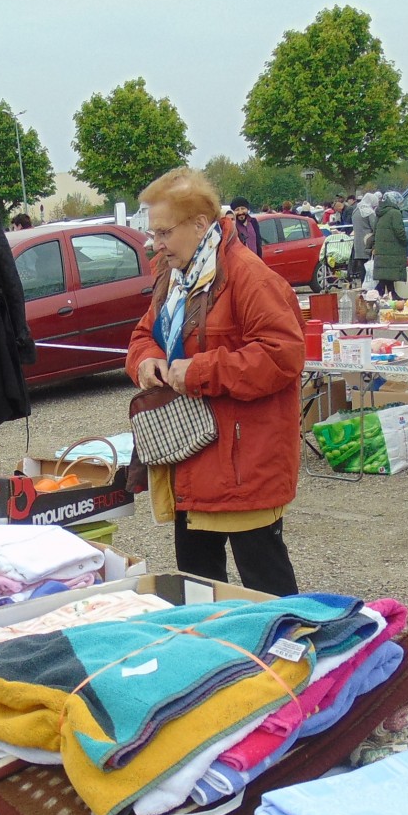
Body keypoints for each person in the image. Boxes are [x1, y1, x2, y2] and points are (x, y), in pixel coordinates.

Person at [128, 167, 303, 596]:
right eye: (154, 233)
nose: (157, 243)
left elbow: (284, 356)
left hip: (244, 469)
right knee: (199, 593)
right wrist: (147, 362)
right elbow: (140, 337)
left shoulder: (250, 276)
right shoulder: (173, 277)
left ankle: (292, 662)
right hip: (189, 462)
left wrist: (201, 371)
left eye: (165, 232)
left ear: (200, 224)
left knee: (267, 594)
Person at [371, 190, 408, 299]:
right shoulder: (395, 213)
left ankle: (392, 294)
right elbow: (399, 231)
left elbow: (375, 230)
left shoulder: (380, 212)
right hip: (392, 248)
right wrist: (405, 241)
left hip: (382, 248)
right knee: (388, 274)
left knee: (386, 274)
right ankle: (374, 296)